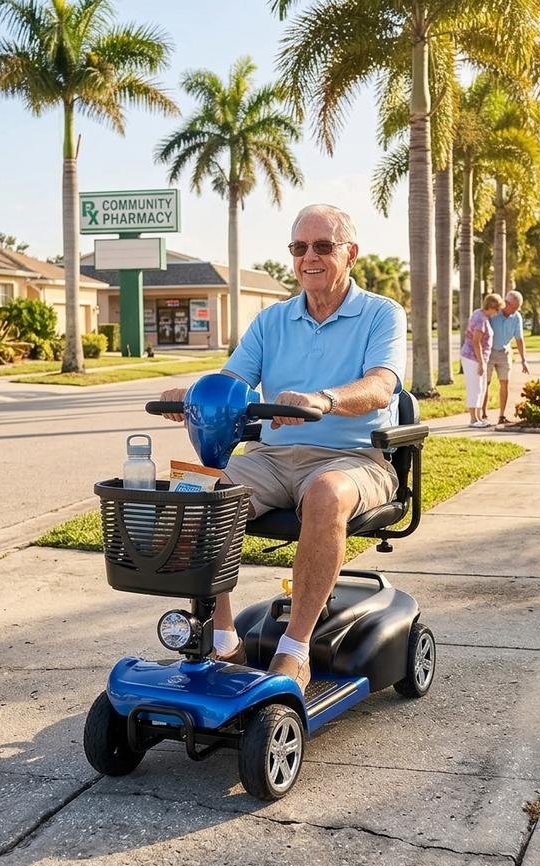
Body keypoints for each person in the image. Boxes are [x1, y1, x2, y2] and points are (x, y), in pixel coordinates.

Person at [156, 204, 406, 692]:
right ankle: (224, 639)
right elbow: (231, 380)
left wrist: (323, 399)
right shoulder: (272, 320)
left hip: (354, 459)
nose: (308, 257)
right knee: (194, 489)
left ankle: (295, 650)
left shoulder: (381, 313)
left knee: (326, 493)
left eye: (322, 246)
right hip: (272, 460)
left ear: (350, 253)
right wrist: (189, 395)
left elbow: (381, 386)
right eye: (299, 247)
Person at [482, 289, 529, 424]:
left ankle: (501, 416)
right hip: (489, 352)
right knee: (486, 383)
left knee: (505, 383)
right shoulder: (494, 313)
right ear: (507, 303)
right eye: (513, 307)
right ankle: (484, 415)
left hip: (505, 352)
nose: (515, 310)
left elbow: (519, 339)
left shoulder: (517, 317)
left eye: (517, 308)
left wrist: (523, 360)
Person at [460, 293, 505, 428]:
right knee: (475, 388)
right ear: (491, 307)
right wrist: (481, 363)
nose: (497, 313)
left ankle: (478, 418)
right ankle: (473, 419)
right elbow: (476, 342)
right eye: (496, 310)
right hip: (473, 358)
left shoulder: (481, 315)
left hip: (478, 358)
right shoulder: (480, 319)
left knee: (481, 388)